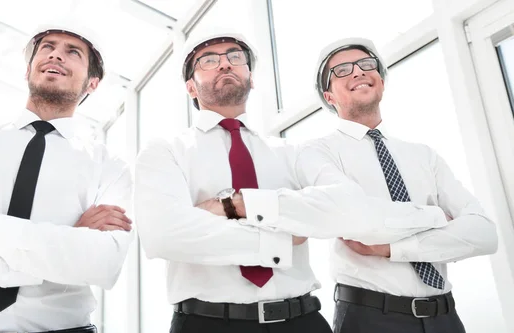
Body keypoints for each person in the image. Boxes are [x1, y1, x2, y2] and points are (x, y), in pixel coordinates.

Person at [133, 30, 452, 333]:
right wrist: (283, 237)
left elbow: (348, 207)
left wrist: (231, 207)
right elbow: (164, 236)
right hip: (206, 322)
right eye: (209, 60)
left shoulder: (292, 151)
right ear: (191, 86)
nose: (225, 62)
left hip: (302, 320)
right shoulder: (165, 150)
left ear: (251, 78)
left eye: (235, 56)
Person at [0, 21, 134, 333]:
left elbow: (101, 263)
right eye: (47, 47)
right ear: (28, 69)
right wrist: (61, 246)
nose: (56, 56)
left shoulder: (110, 166)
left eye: (73, 52)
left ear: (93, 83)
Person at [310, 37, 498, 333]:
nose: (358, 72)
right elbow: (360, 222)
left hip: (445, 317)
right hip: (370, 318)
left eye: (366, 65)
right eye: (343, 70)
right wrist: (436, 218)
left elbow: (485, 234)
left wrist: (390, 247)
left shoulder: (424, 155)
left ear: (381, 82)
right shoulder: (319, 153)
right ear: (329, 96)